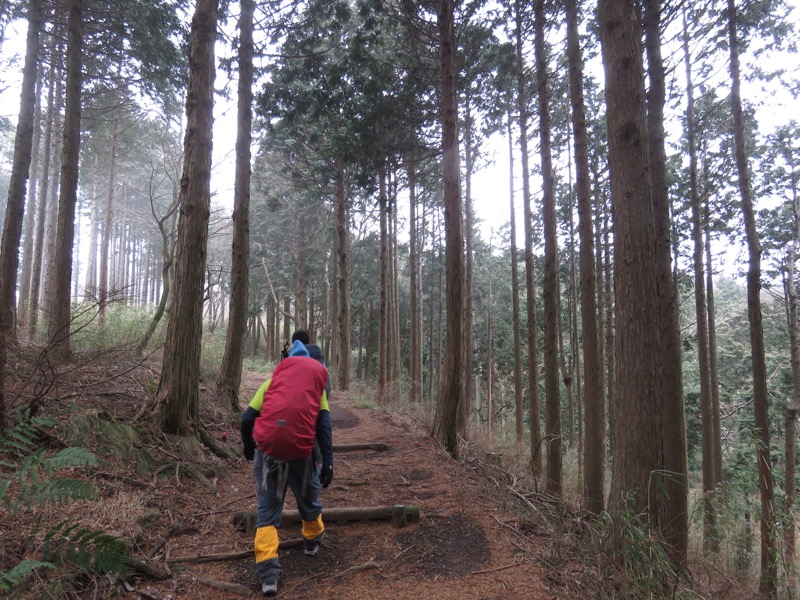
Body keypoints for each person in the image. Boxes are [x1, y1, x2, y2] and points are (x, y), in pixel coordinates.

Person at [240, 340, 334, 596]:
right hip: (302, 455)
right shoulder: (317, 388)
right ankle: (312, 540)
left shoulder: (271, 384)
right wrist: (328, 459)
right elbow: (324, 426)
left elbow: (247, 418)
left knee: (267, 510)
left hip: (268, 453)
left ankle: (268, 576)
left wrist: (250, 447)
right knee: (308, 499)